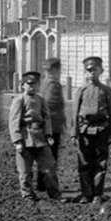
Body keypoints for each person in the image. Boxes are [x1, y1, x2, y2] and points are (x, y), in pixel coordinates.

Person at [8, 70, 62, 201]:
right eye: (29, 83)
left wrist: (48, 134)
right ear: (22, 85)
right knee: (25, 172)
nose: (32, 87)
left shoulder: (41, 100)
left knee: (50, 168)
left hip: (41, 138)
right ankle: (27, 194)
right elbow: (13, 121)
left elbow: (46, 118)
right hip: (25, 138)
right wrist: (17, 141)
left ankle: (54, 193)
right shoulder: (19, 100)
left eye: (35, 84)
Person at [73, 56, 111, 203]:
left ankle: (98, 193)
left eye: (95, 70)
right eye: (88, 70)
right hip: (84, 130)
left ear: (101, 71)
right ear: (85, 72)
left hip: (102, 130)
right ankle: (86, 193)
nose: (91, 73)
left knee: (101, 162)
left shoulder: (106, 90)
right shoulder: (81, 90)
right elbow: (74, 113)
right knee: (84, 163)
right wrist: (74, 134)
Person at [38, 59, 67, 194]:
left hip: (45, 125)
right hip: (52, 126)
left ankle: (41, 183)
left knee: (44, 155)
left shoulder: (44, 83)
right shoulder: (54, 85)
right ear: (55, 70)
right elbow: (51, 105)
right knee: (50, 156)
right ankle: (47, 184)